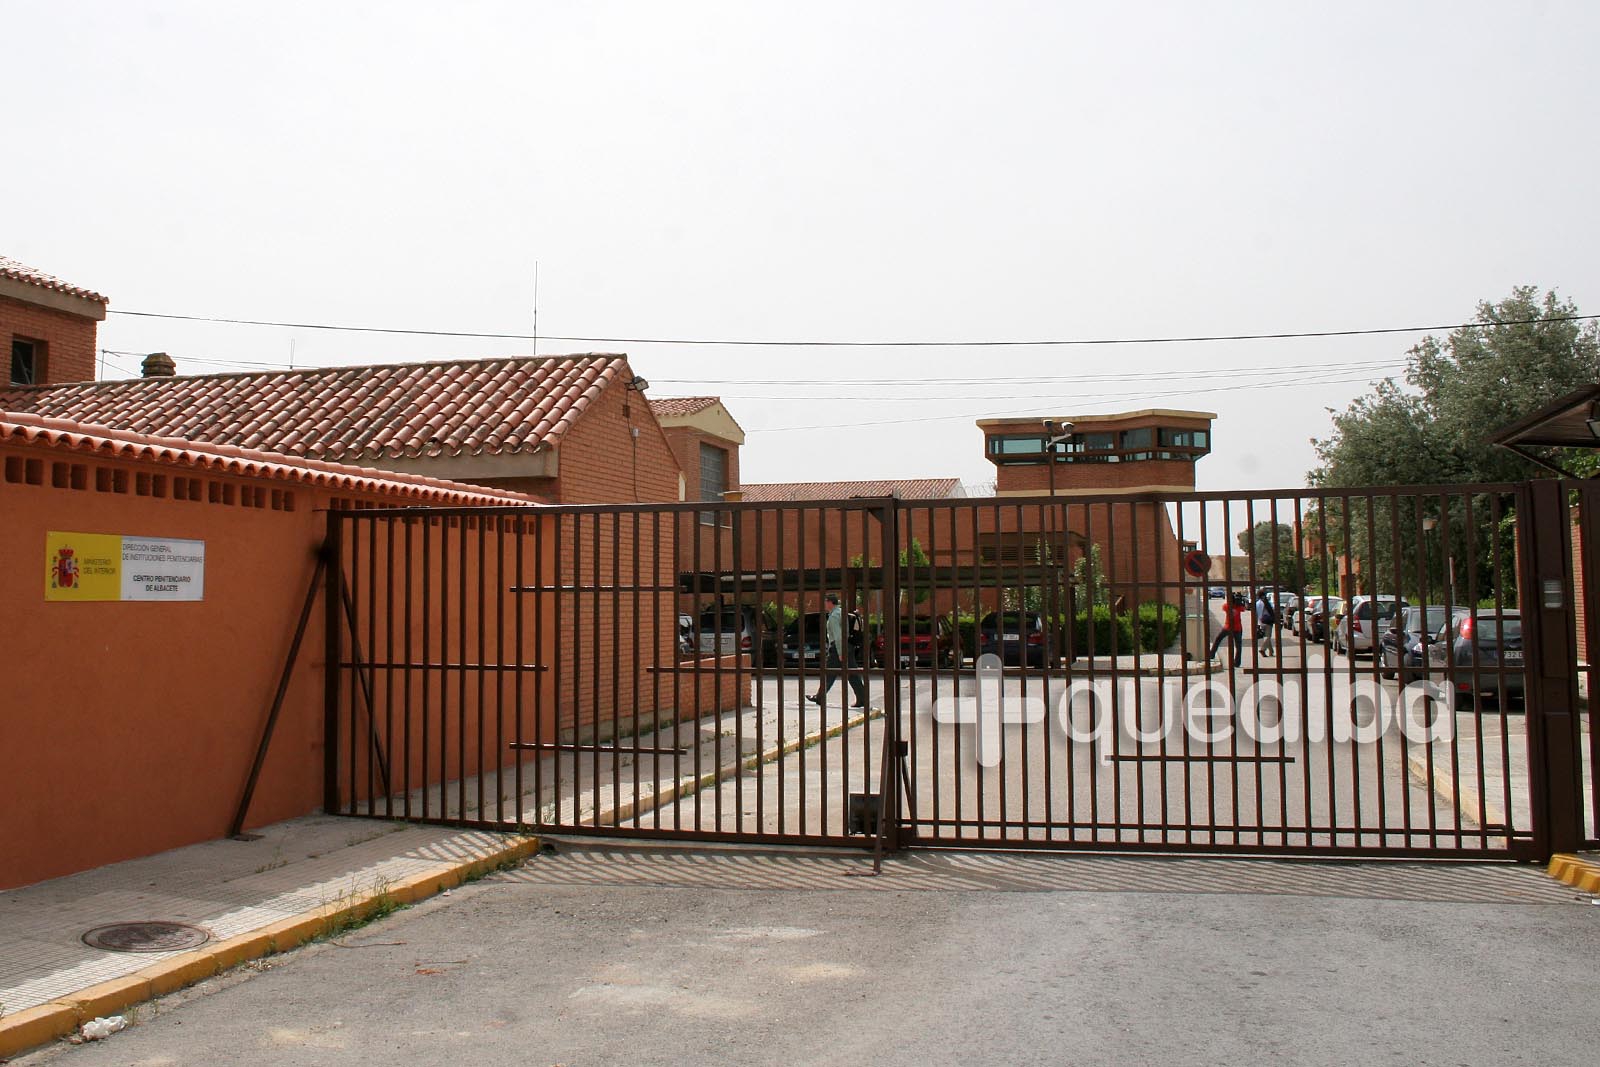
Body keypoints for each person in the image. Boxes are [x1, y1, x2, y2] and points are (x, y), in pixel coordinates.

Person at [809, 592, 869, 708]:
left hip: (838, 647)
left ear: (830, 602)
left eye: (825, 601)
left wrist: (840, 652)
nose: (824, 604)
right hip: (847, 645)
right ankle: (862, 698)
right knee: (852, 673)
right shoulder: (841, 612)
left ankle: (819, 697)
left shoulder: (834, 616)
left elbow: (838, 636)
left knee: (829, 673)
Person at [1209, 593, 1245, 667]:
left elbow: (1223, 607)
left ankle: (1212, 654)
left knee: (1218, 639)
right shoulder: (1239, 607)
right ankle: (1237, 663)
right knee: (1238, 646)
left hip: (1228, 627)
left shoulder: (1227, 606)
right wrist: (1240, 602)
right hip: (1237, 628)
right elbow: (1244, 608)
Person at [1255, 591, 1278, 658]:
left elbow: (1256, 614)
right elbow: (1272, 611)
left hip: (1261, 621)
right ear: (1263, 596)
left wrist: (1257, 623)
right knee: (1268, 637)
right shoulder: (1266, 602)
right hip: (1268, 621)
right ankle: (1263, 649)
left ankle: (1271, 651)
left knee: (1266, 637)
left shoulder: (1257, 603)